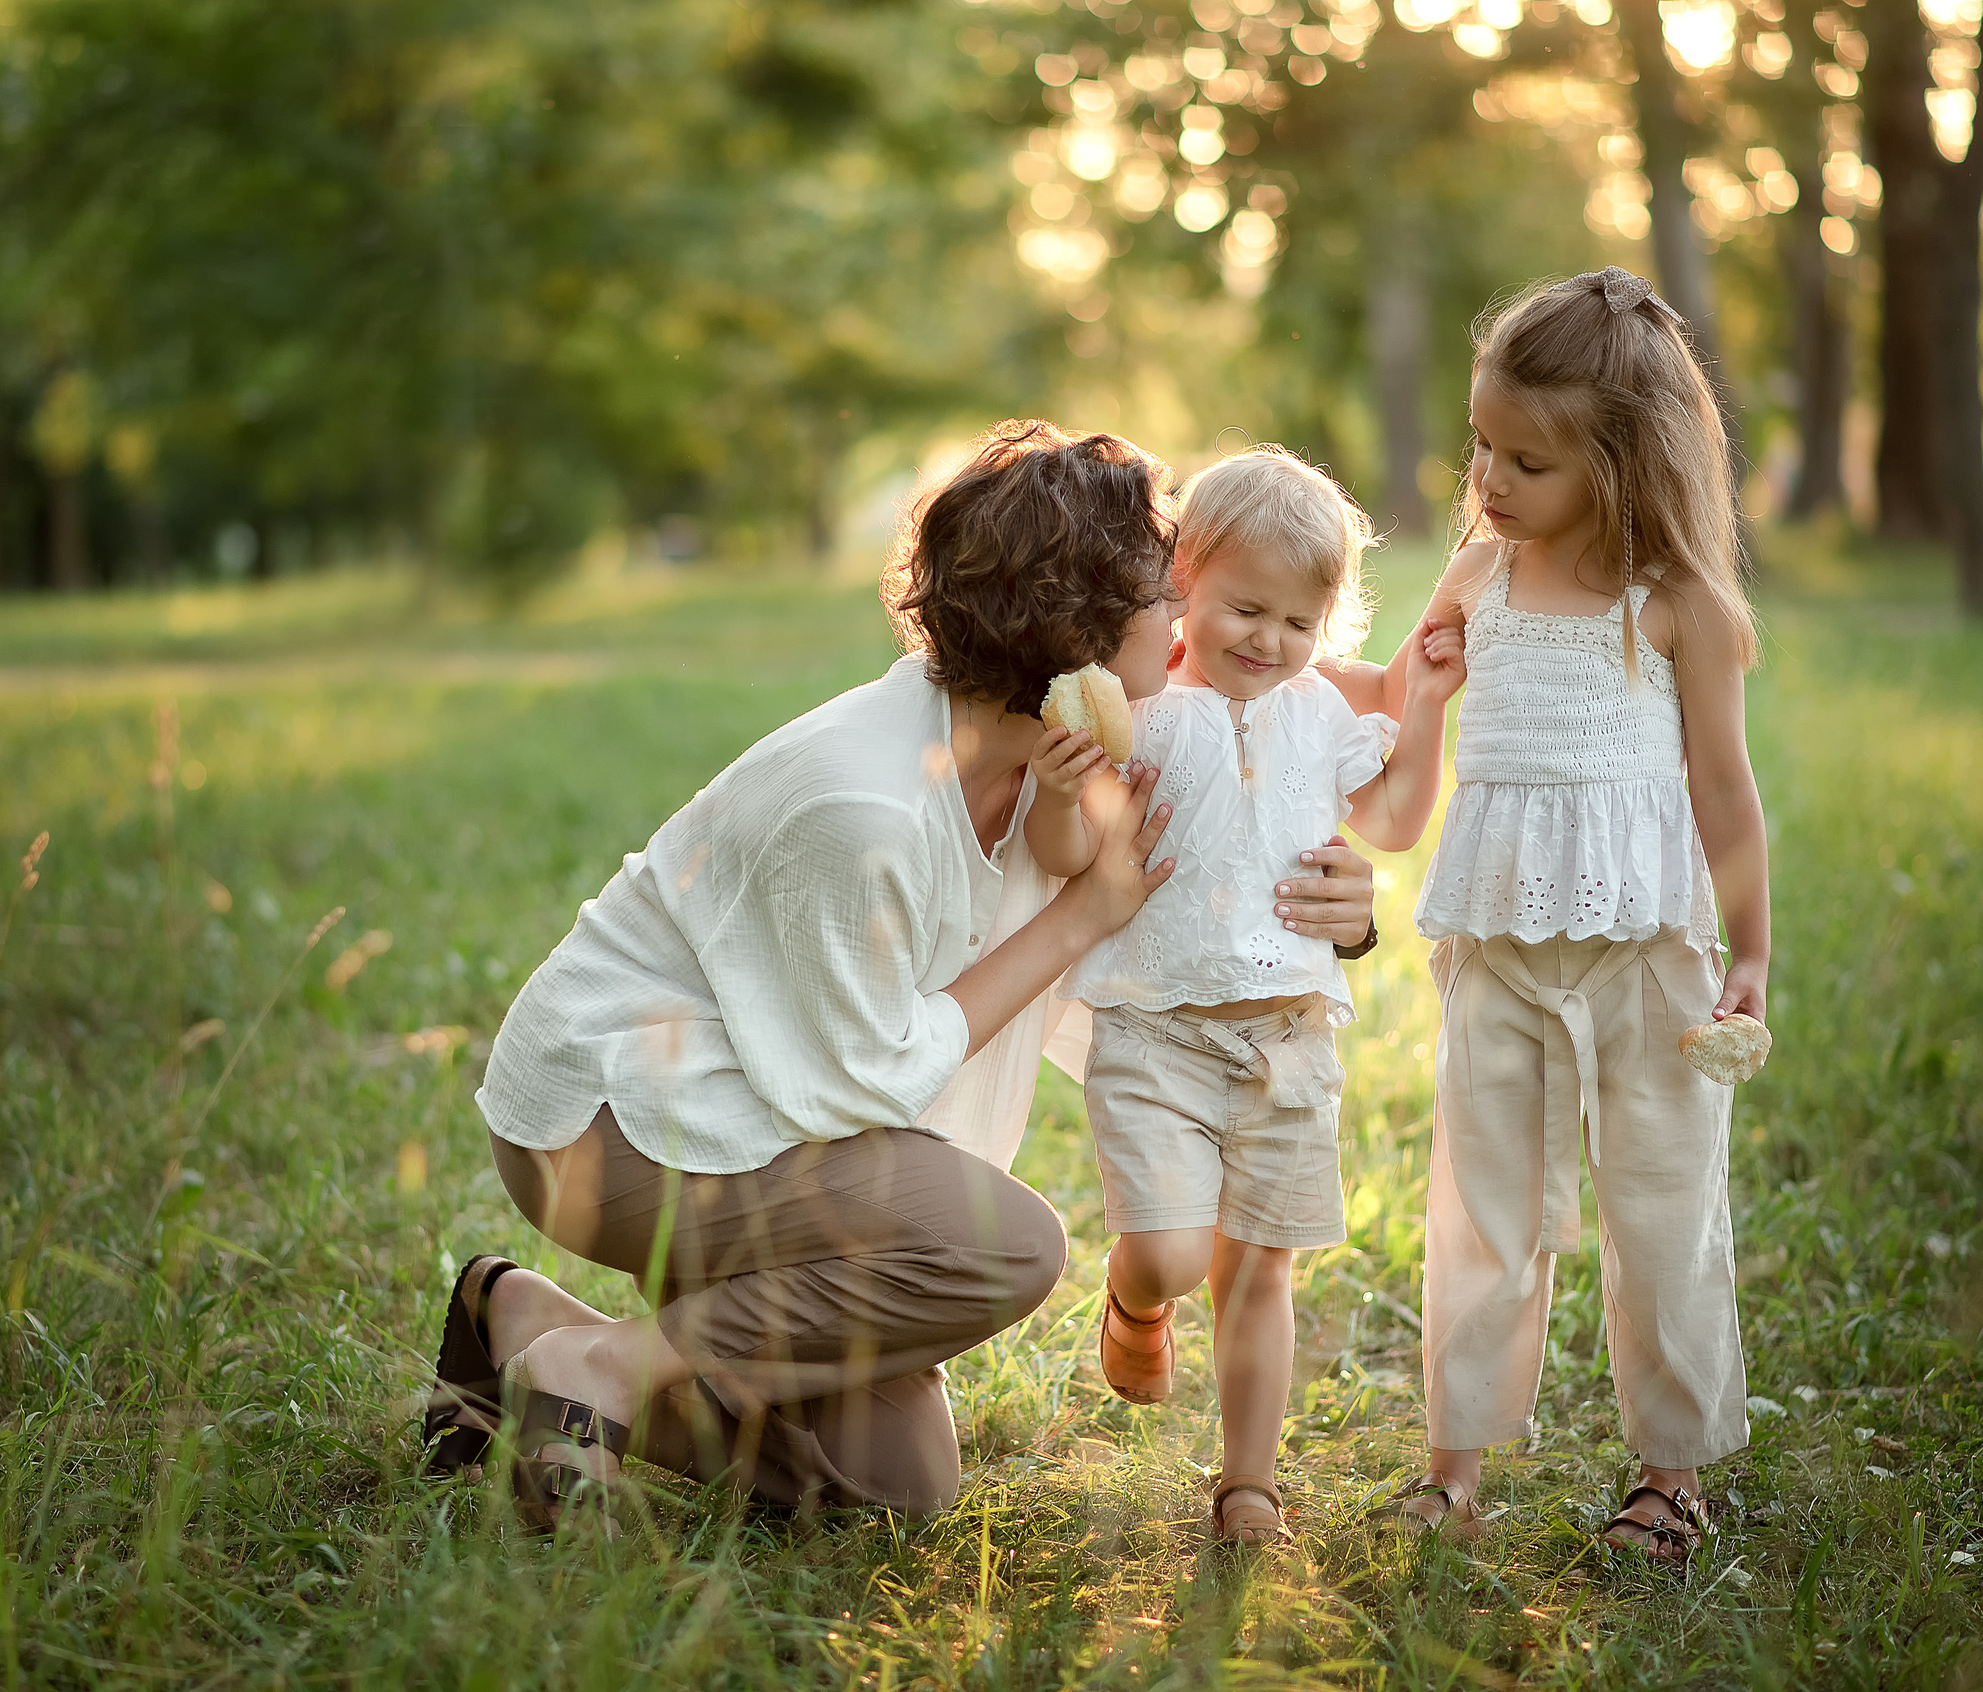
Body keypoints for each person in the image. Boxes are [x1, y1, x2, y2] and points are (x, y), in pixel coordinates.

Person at [420, 422, 1382, 1524]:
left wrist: (1347, 924)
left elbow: (1230, 861)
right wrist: (1080, 920)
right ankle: (607, 1373)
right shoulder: (863, 808)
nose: (1186, 621)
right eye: (1164, 597)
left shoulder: (1048, 749)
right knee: (1005, 1244)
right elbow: (866, 1081)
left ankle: (526, 1329)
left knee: (888, 1491)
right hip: (619, 1123)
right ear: (1076, 635)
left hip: (771, 1113)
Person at [1385, 268, 1771, 1562]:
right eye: (1481, 445)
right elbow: (1401, 708)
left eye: (1527, 461)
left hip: (1647, 959)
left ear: (1621, 463)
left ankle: (1671, 1474)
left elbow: (1724, 792)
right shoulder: (1476, 578)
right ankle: (1454, 1468)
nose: (1489, 479)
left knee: (1661, 1208)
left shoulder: (1677, 605)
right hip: (1497, 949)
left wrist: (1752, 950)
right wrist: (1414, 694)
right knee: (1480, 1212)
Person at [1021, 446, 1464, 1546]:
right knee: (1176, 1252)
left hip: (1288, 1036)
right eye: (1243, 609)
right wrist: (1060, 785)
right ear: (1182, 585)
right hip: (1156, 1027)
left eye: (1297, 623)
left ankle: (1245, 1484)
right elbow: (1066, 852)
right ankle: (1137, 1298)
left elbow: (1396, 821)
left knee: (1261, 1269)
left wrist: (1434, 707)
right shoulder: (1143, 715)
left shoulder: (1319, 714)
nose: (1267, 642)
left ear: (1328, 625)